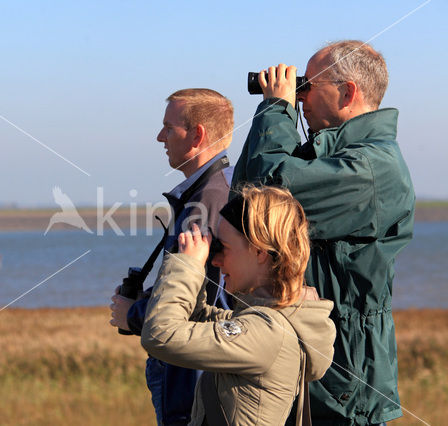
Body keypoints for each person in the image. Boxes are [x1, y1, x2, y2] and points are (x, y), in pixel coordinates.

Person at [232, 40, 415, 424]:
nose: (300, 98)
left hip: (343, 381)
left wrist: (276, 109)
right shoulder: (328, 158)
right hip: (313, 366)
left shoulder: (370, 170)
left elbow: (272, 193)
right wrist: (270, 110)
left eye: (309, 86)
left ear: (348, 92)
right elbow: (245, 201)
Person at [141, 185, 336, 426]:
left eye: (224, 248)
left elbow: (161, 335)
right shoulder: (265, 323)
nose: (216, 259)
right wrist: (195, 269)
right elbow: (198, 319)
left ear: (259, 252)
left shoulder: (269, 334)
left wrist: (187, 265)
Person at [109, 88, 234, 425]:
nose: (160, 137)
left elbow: (198, 297)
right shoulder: (218, 189)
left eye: (169, 127)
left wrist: (132, 314)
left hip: (190, 377)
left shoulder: (207, 199)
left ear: (197, 134)